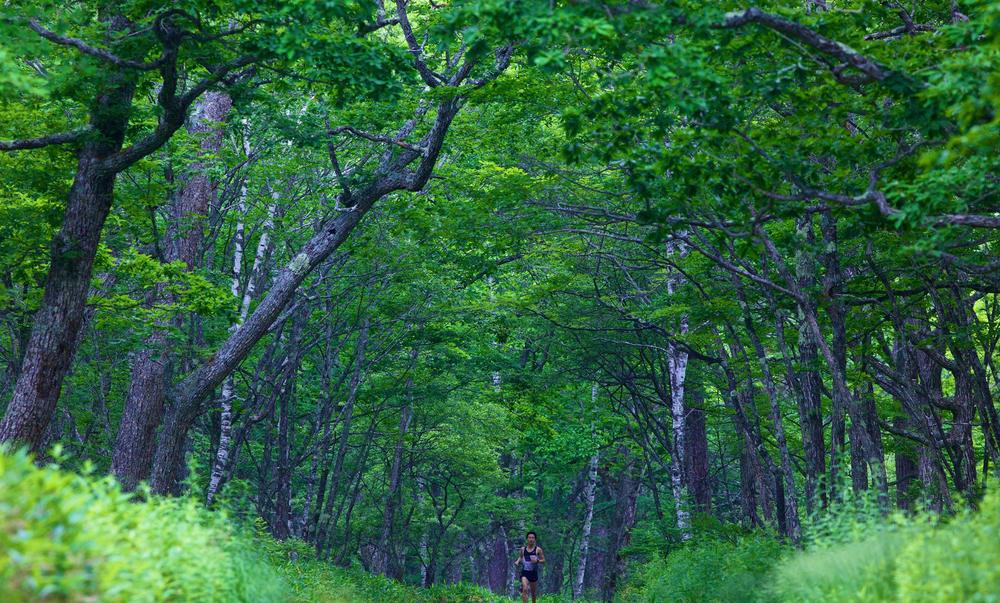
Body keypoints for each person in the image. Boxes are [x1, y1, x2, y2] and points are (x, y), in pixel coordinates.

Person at [514, 531, 545, 603]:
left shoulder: (538, 550)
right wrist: (517, 561)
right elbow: (521, 557)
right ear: (527, 539)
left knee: (533, 593)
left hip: (533, 573)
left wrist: (537, 561)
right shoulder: (523, 549)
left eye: (533, 538)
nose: (531, 539)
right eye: (529, 537)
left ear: (535, 539)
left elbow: (543, 560)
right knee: (525, 589)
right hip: (525, 572)